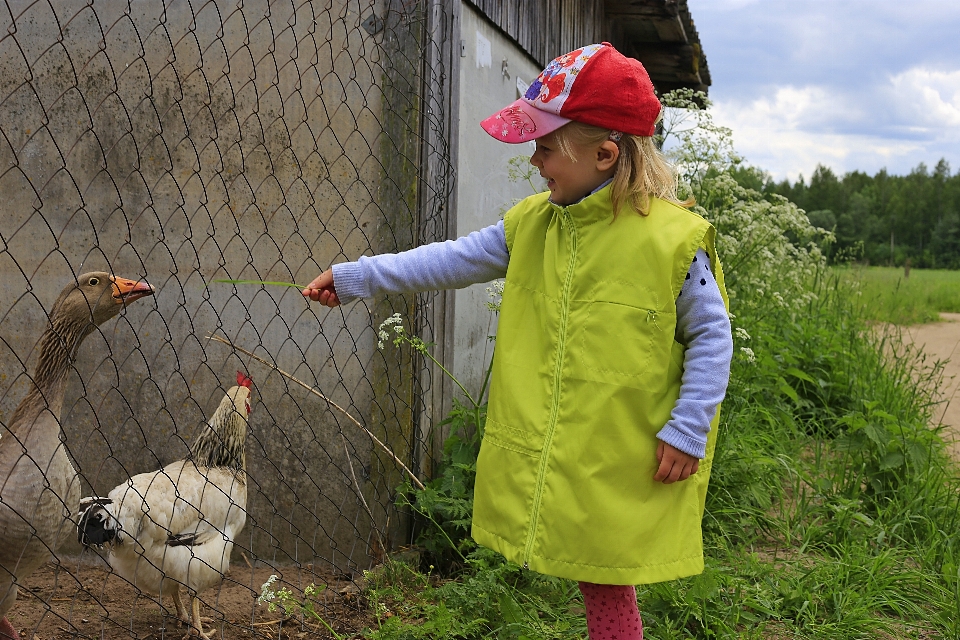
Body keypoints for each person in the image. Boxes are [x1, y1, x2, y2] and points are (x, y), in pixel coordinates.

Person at [303, 42, 732, 640]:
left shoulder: (671, 242)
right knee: (599, 576)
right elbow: (448, 261)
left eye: (546, 146)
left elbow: (712, 336)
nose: (534, 160)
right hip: (566, 446)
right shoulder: (532, 224)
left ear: (605, 154)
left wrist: (689, 426)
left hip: (624, 446)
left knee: (607, 573)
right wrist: (358, 277)